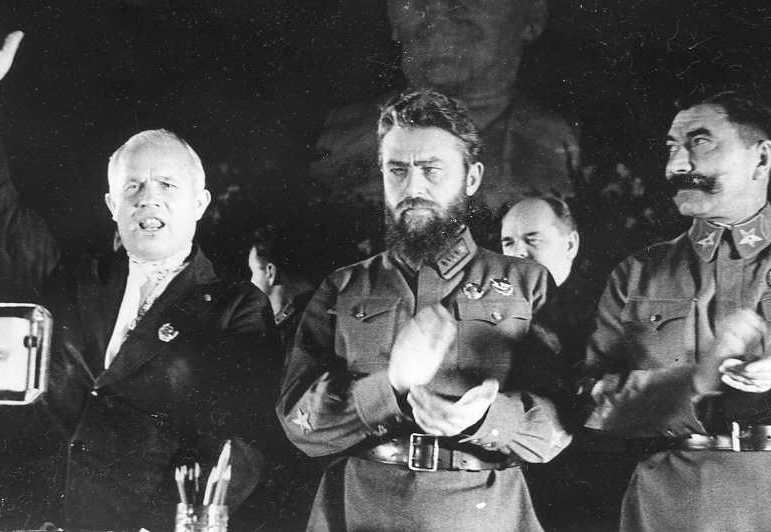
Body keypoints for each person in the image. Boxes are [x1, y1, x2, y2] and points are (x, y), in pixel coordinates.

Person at [0, 1, 279, 530]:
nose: (149, 198)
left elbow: (240, 442)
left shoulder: (237, 307)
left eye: (167, 185)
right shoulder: (68, 277)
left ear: (199, 203)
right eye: (133, 186)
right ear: (111, 206)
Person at [277, 89, 572, 532]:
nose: (413, 188)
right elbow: (298, 423)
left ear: (471, 178)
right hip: (361, 512)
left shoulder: (527, 283)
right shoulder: (343, 287)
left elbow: (561, 424)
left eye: (432, 170)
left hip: (484, 515)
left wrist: (486, 418)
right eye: (398, 170)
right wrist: (390, 387)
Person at [584, 91, 771, 531]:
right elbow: (588, 402)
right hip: (674, 504)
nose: (676, 166)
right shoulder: (639, 273)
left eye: (700, 143)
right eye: (672, 147)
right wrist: (692, 382)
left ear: (761, 159)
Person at [310, 0, 579, 211]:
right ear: (393, 16)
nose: (437, 7)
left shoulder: (570, 149)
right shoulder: (332, 142)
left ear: (533, 16)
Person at [501, 195, 629, 530]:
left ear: (570, 244)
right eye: (508, 242)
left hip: (591, 481)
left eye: (532, 240)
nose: (518, 253)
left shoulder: (607, 308)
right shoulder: (497, 313)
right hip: (512, 483)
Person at [248, 224, 316, 356]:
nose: (251, 281)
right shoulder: (320, 313)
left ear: (270, 272)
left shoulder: (291, 335)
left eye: (253, 272)